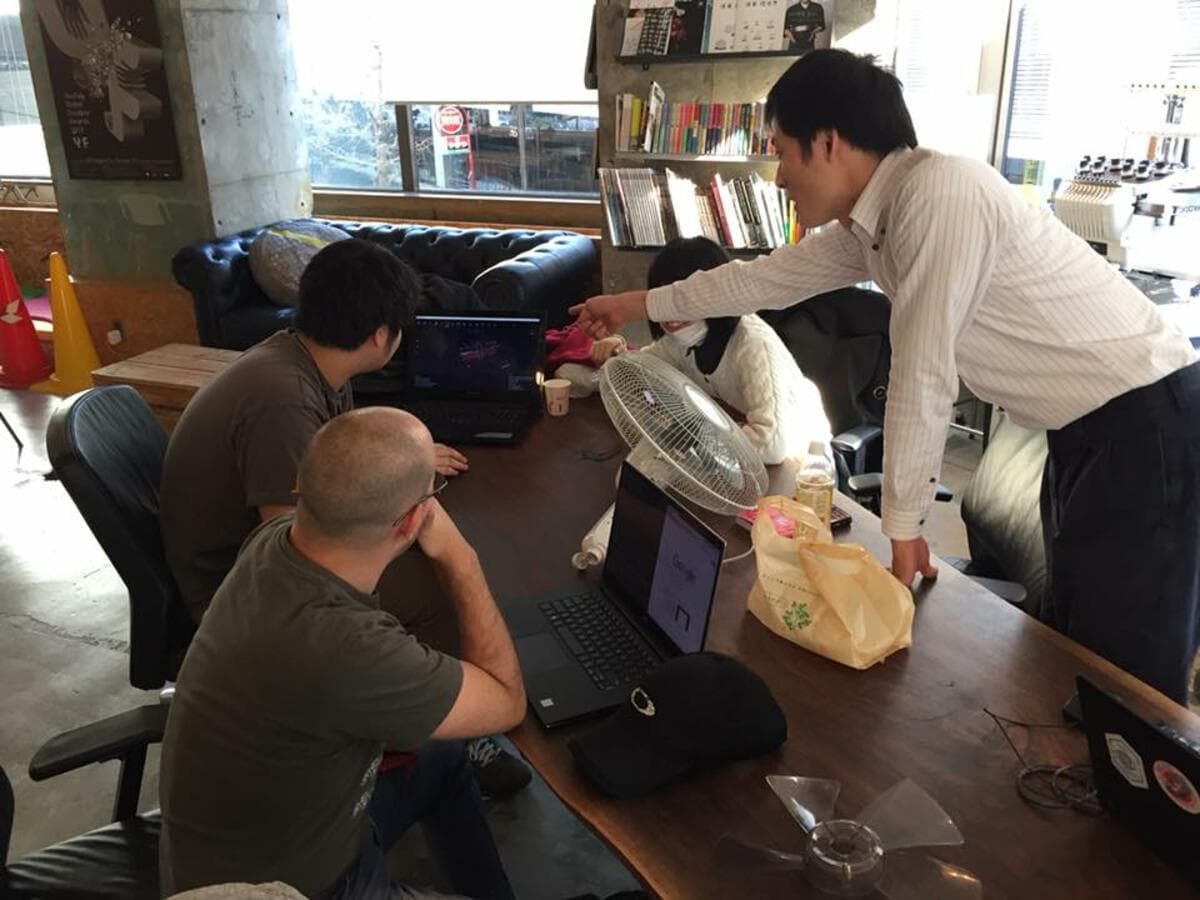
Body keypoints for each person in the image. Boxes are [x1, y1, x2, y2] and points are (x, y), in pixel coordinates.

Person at [570, 49, 1200, 705]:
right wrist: (638, 306)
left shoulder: (941, 195)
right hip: (1083, 431)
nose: (779, 174)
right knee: (1076, 648)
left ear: (828, 142)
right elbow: (759, 279)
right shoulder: (876, 221)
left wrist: (903, 529)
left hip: (1145, 420)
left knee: (1126, 675)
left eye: (783, 152)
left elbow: (924, 377)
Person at [159, 239, 529, 797]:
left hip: (252, 567)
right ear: (382, 335)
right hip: (237, 593)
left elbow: (337, 464)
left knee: (431, 553)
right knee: (438, 581)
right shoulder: (280, 401)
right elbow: (302, 540)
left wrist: (402, 458)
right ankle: (449, 724)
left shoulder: (304, 361)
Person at [159, 407, 523, 898]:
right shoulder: (347, 647)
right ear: (415, 519)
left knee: (441, 757)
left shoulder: (275, 540)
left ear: (299, 487)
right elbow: (506, 701)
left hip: (251, 840)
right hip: (296, 885)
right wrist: (460, 556)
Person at [636, 236, 831, 465]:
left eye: (682, 300)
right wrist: (613, 349)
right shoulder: (684, 340)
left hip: (801, 468)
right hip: (738, 459)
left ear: (714, 294)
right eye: (662, 297)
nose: (670, 313)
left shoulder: (754, 345)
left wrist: (696, 440)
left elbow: (772, 445)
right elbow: (640, 366)